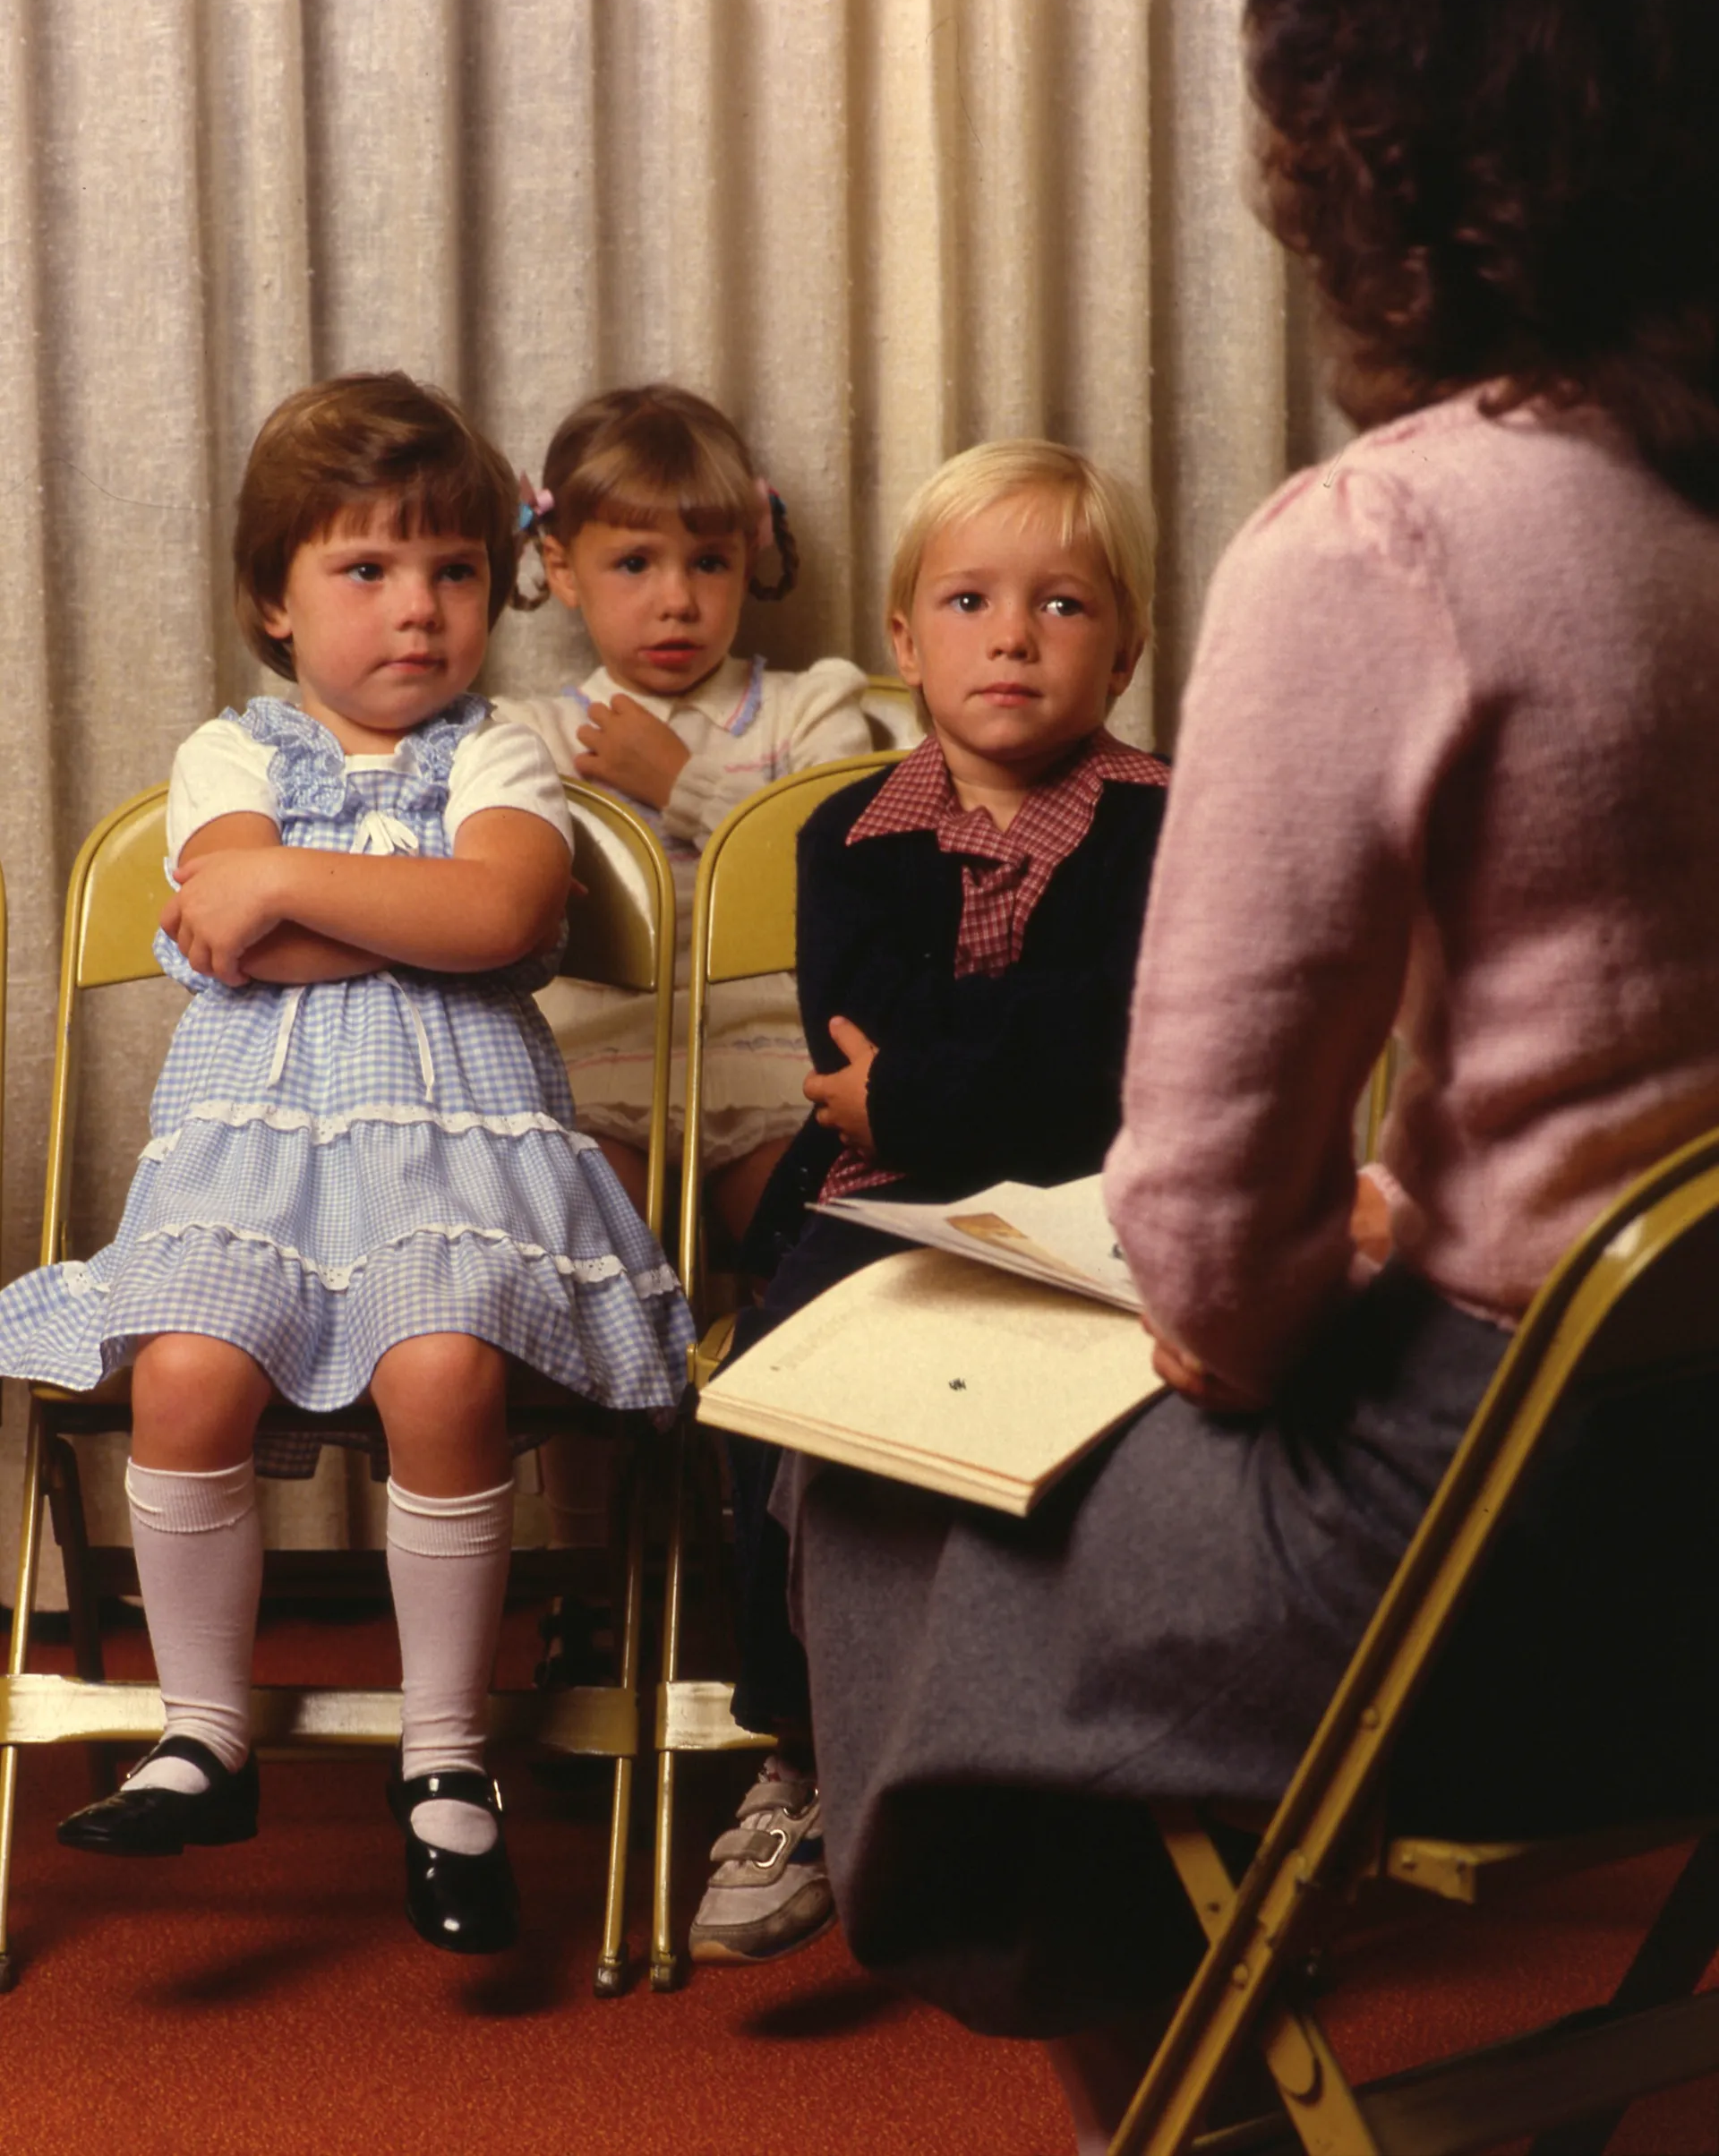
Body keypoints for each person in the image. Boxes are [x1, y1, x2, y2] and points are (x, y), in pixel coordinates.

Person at [773, 0, 1719, 2144]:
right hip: (1690, 1480)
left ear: (1364, 133)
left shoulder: (1389, 535)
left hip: (1502, 1542)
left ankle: (1170, 2099)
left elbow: (1211, 1257)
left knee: (863, 1448)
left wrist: (1277, 1288)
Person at [0, 372, 693, 1957]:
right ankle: (206, 1731)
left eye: (453, 571)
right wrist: (401, 903)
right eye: (366, 571)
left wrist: (300, 906)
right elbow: (235, 910)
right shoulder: (222, 751)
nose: (420, 611)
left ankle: (446, 1750)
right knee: (183, 1371)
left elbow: (501, 916)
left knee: (442, 1368)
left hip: (466, 1167)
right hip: (251, 1169)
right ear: (274, 599)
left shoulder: (505, 754)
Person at [690, 440, 1168, 1966]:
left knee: (1115, 1440)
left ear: (1126, 645)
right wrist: (940, 1083)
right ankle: (802, 1753)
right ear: (906, 638)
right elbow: (859, 1012)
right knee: (773, 1405)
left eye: (1063, 602)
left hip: (1100, 1205)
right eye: (969, 599)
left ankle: (1059, 1761)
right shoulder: (850, 837)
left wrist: (914, 1086)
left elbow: (1112, 1052)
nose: (1013, 634)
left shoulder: (1168, 827)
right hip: (881, 1196)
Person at [495, 382, 877, 1252]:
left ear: (751, 554)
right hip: (593, 1079)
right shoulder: (527, 736)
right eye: (635, 563)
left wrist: (684, 783)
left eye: (707, 561)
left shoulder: (811, 711)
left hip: (776, 1076)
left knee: (810, 1259)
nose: (677, 599)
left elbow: (848, 882)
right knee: (590, 1252)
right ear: (562, 570)